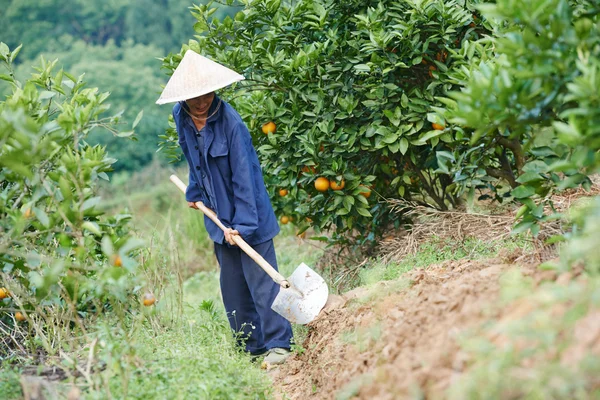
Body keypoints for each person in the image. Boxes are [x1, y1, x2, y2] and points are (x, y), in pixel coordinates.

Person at [156, 50, 293, 366]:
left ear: (214, 89)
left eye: (206, 93)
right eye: (194, 97)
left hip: (248, 216)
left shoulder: (231, 124)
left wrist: (242, 227)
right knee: (233, 288)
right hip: (217, 217)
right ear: (184, 97)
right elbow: (193, 158)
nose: (201, 101)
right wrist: (194, 191)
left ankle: (279, 344)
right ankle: (251, 348)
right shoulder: (181, 116)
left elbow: (246, 179)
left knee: (262, 283)